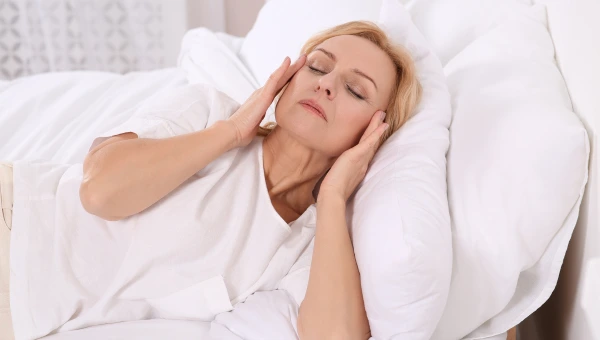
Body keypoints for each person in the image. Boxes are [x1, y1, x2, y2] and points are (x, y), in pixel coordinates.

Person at [0, 20, 421, 340]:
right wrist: (231, 134)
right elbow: (98, 192)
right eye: (317, 67)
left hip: (24, 315)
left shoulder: (311, 242)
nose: (326, 84)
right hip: (14, 220)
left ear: (375, 133)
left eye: (355, 90)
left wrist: (331, 197)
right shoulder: (208, 110)